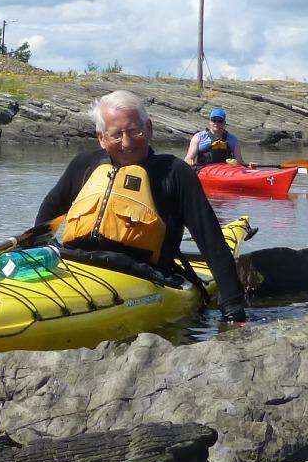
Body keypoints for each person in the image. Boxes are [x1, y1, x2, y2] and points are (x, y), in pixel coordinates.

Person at [34, 90, 249, 323]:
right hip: (75, 266)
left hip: (144, 278)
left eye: (134, 131)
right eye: (116, 135)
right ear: (101, 137)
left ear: (149, 129)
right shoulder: (85, 165)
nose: (127, 143)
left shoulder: (174, 173)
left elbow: (211, 242)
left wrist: (233, 311)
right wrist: (35, 257)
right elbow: (48, 216)